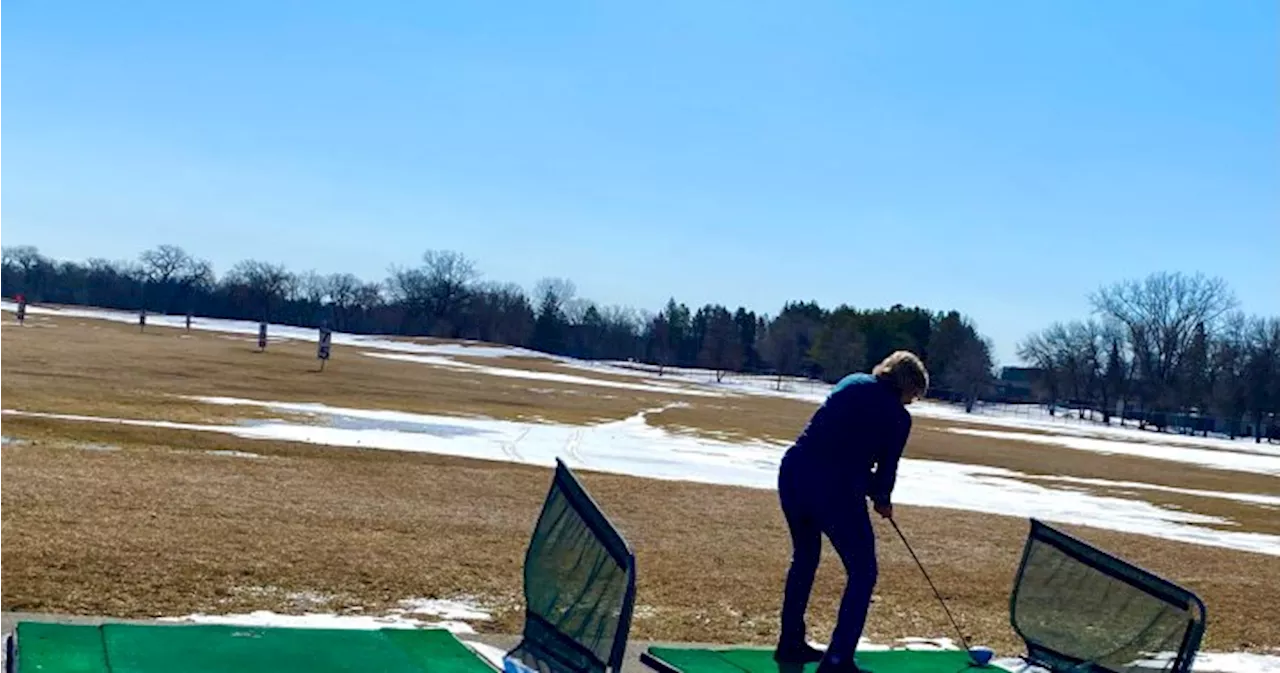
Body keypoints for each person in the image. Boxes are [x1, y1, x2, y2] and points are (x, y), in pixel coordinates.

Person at [774, 350, 928, 673]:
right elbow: (885, 468)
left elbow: (840, 441)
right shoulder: (898, 417)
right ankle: (838, 659)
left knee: (805, 557)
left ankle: (790, 643)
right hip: (834, 488)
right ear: (906, 385)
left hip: (794, 471)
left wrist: (870, 488)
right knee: (864, 571)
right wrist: (882, 498)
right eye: (914, 395)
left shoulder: (852, 381)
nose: (912, 403)